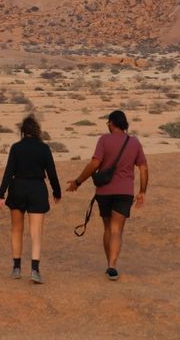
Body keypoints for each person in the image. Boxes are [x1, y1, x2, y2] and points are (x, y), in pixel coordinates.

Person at [66, 110, 148, 281]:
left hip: (104, 192)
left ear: (112, 123)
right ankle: (112, 265)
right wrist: (142, 191)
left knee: (108, 228)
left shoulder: (104, 140)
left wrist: (78, 182)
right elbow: (143, 168)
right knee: (117, 230)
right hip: (125, 192)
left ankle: (108, 265)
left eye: (108, 124)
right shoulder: (134, 142)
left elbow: (95, 163)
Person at [0, 115, 61, 284]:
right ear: (37, 131)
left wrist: (1, 193)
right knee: (36, 233)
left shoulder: (16, 148)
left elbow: (8, 172)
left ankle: (16, 268)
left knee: (16, 229)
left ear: (23, 131)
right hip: (37, 190)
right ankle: (35, 270)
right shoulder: (44, 148)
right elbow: (52, 173)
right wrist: (57, 192)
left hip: (17, 188)